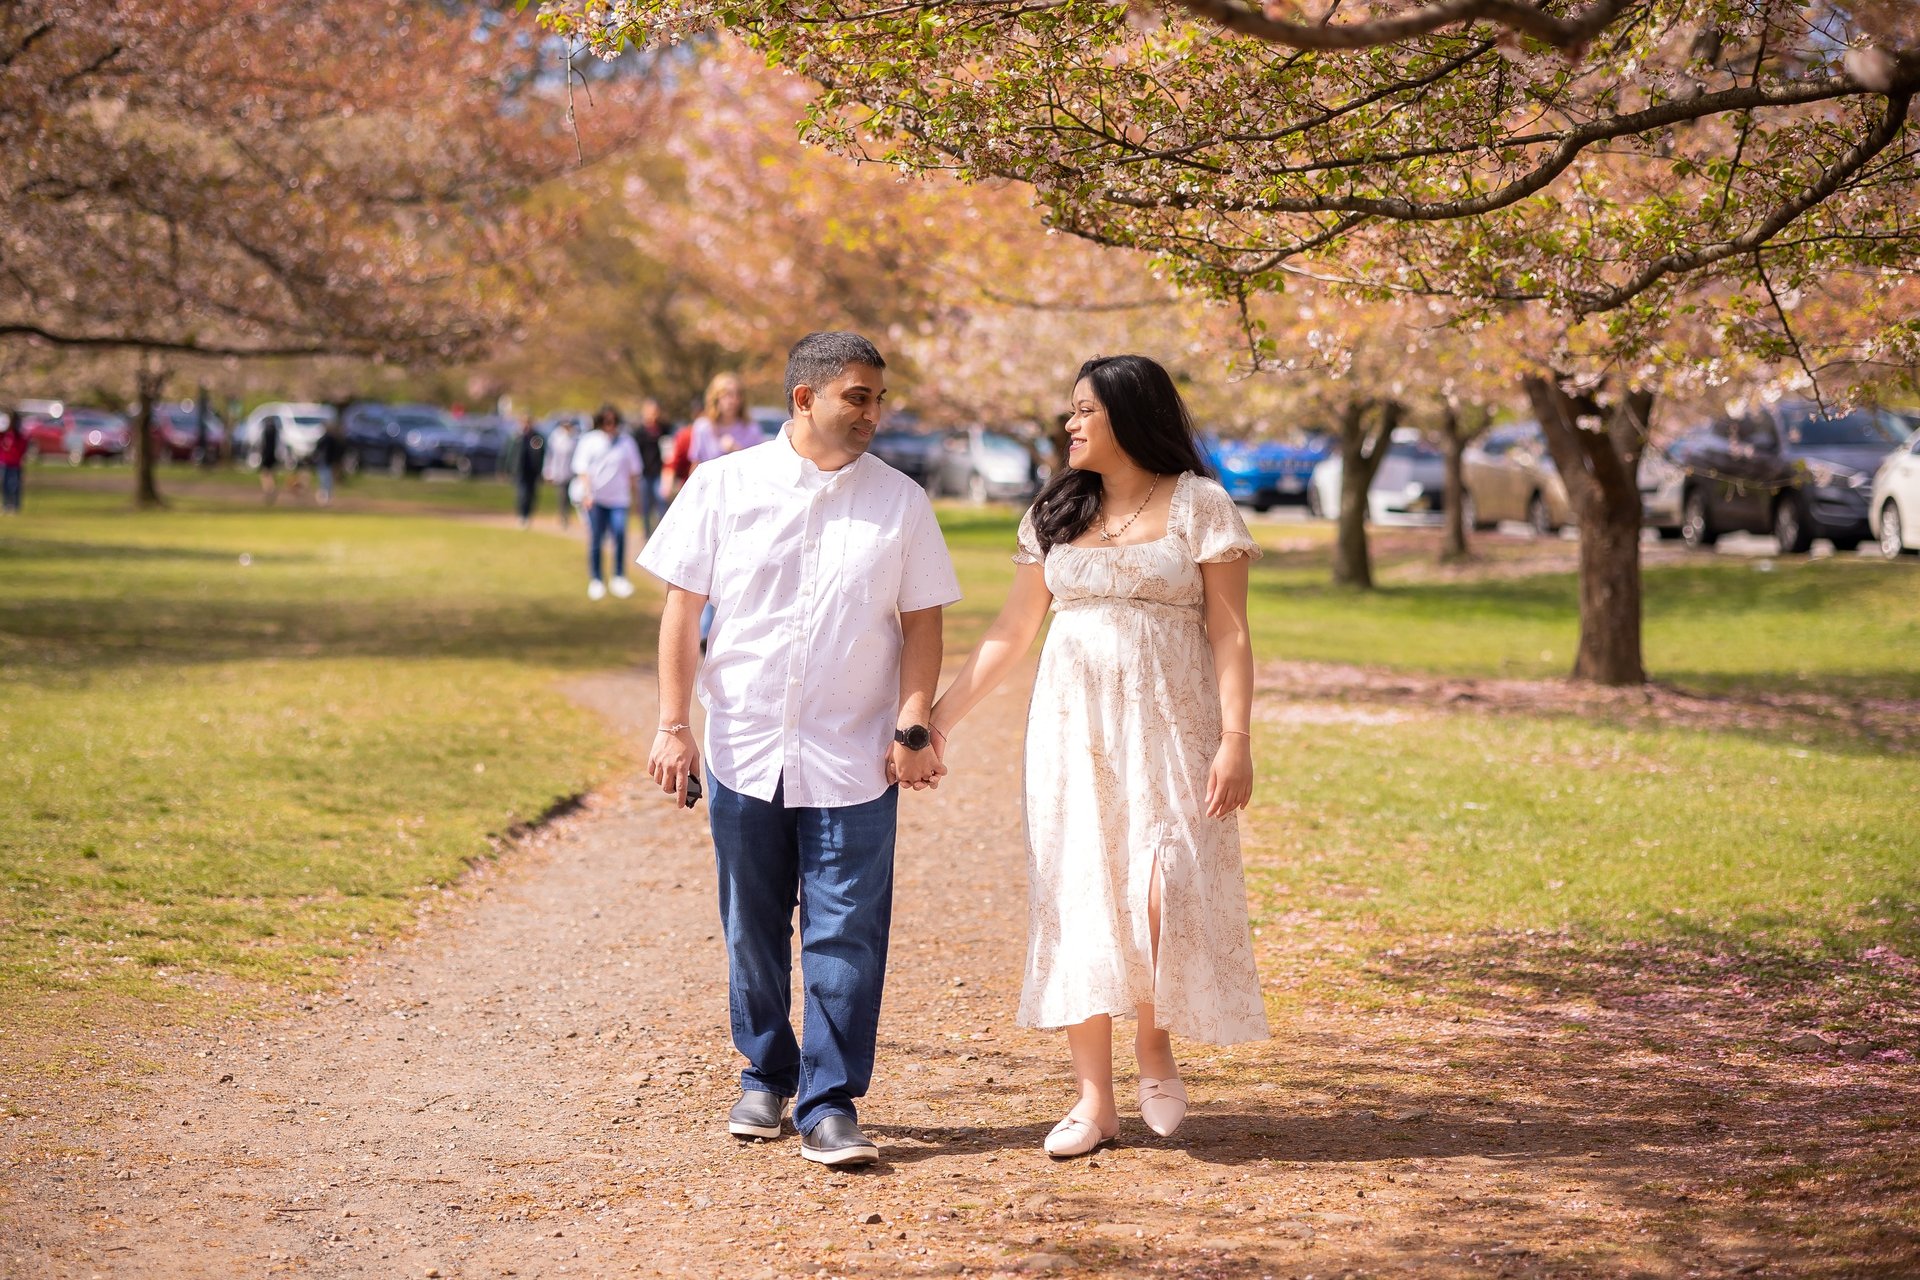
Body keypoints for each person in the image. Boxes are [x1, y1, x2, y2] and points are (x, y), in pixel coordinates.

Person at [928, 354, 1268, 1159]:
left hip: (1173, 728)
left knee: (1164, 884)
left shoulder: (1200, 505)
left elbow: (1231, 632)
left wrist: (1236, 740)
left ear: (1128, 412)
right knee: (1081, 889)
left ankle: (1155, 1043)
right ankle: (1093, 1100)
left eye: (1084, 410)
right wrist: (935, 723)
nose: (1070, 424)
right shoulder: (1054, 510)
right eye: (1069, 411)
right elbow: (1011, 634)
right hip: (1072, 730)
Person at [638, 332, 960, 1168]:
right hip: (745, 747)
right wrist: (675, 723)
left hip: (854, 755)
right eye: (858, 396)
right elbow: (683, 611)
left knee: (846, 930)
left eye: (880, 399)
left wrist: (913, 719)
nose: (873, 414)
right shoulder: (722, 487)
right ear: (803, 399)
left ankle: (829, 1101)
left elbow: (921, 623)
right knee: (751, 925)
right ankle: (765, 1073)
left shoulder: (901, 502)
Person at [573, 405, 642, 601]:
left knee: (620, 535)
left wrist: (636, 499)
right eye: (605, 421)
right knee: (596, 539)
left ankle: (619, 576)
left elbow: (634, 472)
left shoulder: (627, 442)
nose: (609, 425)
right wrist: (587, 493)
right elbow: (582, 469)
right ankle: (596, 579)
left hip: (619, 499)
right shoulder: (590, 440)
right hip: (596, 499)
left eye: (613, 421)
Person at [632, 399, 669, 537]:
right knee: (645, 506)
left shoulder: (664, 429)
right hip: (644, 474)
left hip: (659, 473)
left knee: (661, 502)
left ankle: (662, 534)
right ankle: (647, 534)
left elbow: (669, 451)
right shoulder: (639, 432)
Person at [511, 414, 546, 529]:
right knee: (521, 494)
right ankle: (522, 514)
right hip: (520, 470)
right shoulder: (517, 437)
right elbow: (509, 453)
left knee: (531, 494)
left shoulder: (536, 438)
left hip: (533, 470)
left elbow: (541, 454)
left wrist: (541, 470)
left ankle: (527, 515)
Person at [544, 416, 577, 529]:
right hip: (560, 471)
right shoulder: (556, 437)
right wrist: (548, 471)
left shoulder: (575, 437)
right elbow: (550, 455)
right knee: (562, 495)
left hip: (572, 472)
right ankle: (563, 516)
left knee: (572, 496)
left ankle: (567, 515)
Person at [311, 422, 348, 507]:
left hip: (326, 462)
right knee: (325, 481)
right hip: (325, 462)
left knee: (327, 481)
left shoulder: (329, 438)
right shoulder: (328, 438)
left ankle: (325, 498)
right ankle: (324, 498)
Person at [0, 412, 25, 515]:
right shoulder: (4, 435)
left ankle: (15, 505)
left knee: (14, 485)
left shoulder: (18, 436)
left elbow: (22, 447)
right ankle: (6, 505)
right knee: (4, 485)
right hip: (4, 463)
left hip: (15, 464)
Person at [256, 413, 283, 504]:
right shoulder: (276, 431)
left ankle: (268, 490)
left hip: (266, 455)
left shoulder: (266, 431)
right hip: (273, 455)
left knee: (264, 473)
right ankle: (271, 489)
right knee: (271, 473)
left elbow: (262, 444)